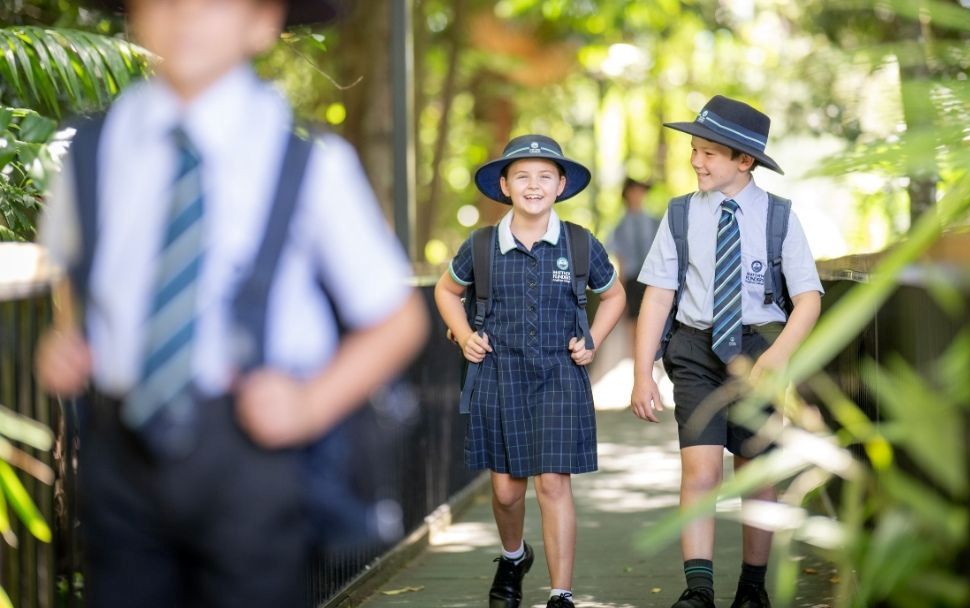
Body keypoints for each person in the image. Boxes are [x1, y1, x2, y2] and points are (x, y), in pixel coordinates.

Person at [33, 0, 429, 606]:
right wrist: (70, 337)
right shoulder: (91, 153)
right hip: (122, 458)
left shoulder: (308, 162)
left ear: (264, 21)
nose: (186, 14)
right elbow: (76, 275)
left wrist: (309, 405)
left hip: (252, 456)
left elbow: (397, 321)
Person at [630, 95, 823, 608]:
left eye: (710, 152)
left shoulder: (779, 218)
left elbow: (807, 299)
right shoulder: (679, 214)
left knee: (754, 470)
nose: (696, 160)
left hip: (759, 349)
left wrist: (777, 358)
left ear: (746, 160)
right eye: (695, 149)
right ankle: (699, 590)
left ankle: (752, 589)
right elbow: (657, 294)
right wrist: (642, 373)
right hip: (695, 349)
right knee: (700, 471)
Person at [434, 134, 625, 608]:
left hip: (561, 374)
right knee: (505, 492)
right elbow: (445, 292)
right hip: (499, 375)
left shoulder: (580, 243)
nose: (533, 185)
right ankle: (514, 556)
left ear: (560, 185)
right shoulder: (481, 245)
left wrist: (593, 339)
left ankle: (561, 593)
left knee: (554, 482)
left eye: (544, 176)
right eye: (522, 176)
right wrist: (463, 333)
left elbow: (615, 295)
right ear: (505, 184)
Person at [606, 176, 660, 345]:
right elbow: (620, 259)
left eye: (641, 191)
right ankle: (635, 360)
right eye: (634, 191)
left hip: (652, 278)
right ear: (627, 194)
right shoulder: (620, 226)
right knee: (633, 322)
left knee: (653, 318)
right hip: (631, 279)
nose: (638, 195)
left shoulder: (655, 222)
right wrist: (620, 290)